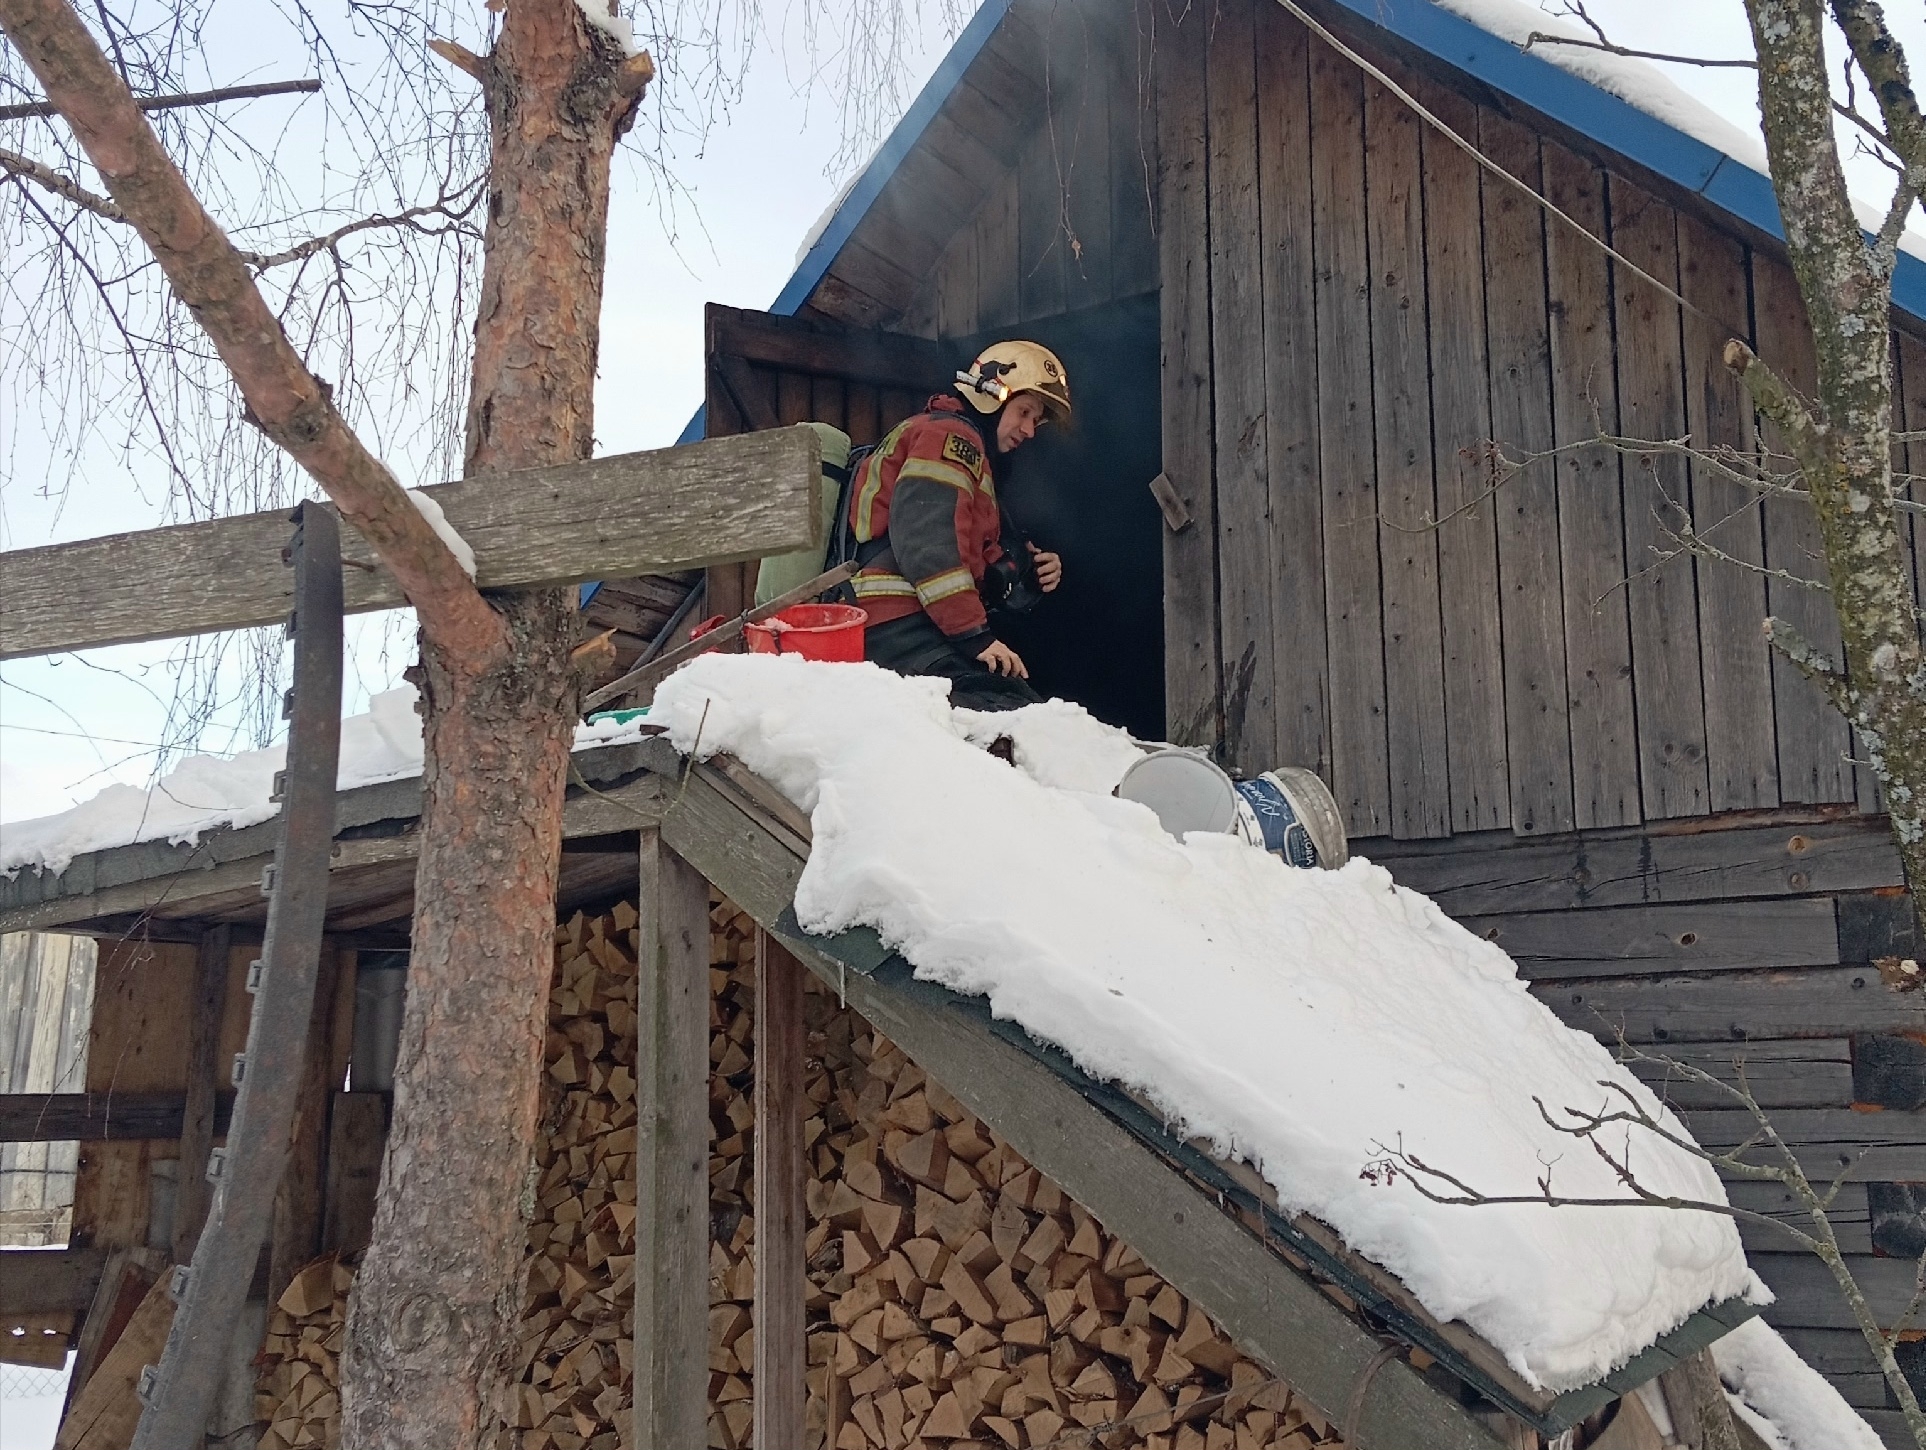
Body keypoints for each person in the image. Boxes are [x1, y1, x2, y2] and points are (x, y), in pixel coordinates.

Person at [847, 340, 1070, 711]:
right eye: (1024, 411)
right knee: (1011, 716)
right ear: (991, 394)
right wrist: (974, 636)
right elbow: (928, 544)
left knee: (1023, 709)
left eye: (1037, 421)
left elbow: (970, 553)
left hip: (911, 621)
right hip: (896, 623)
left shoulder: (965, 449)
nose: (1029, 430)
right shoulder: (952, 438)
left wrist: (1029, 571)